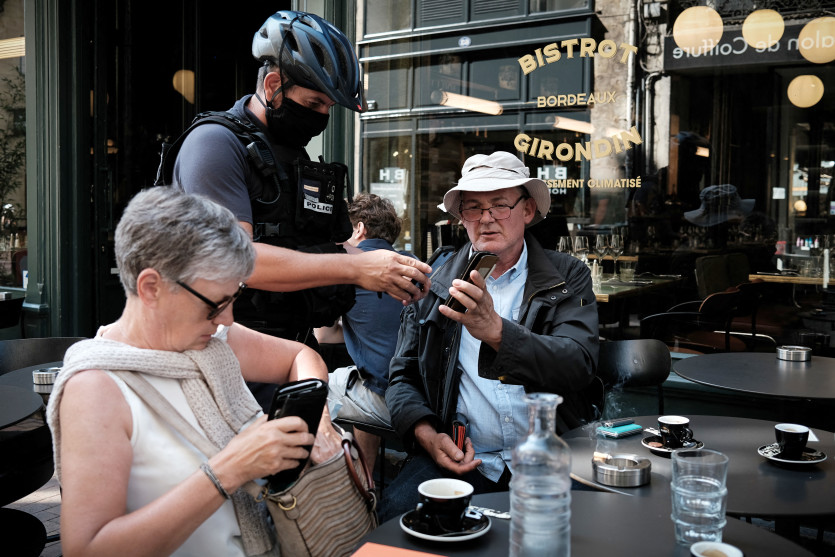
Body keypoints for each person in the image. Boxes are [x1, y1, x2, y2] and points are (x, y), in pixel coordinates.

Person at [46, 187, 342, 557]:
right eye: (215, 304)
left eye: (234, 298)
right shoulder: (95, 388)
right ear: (151, 287)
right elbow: (88, 549)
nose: (227, 318)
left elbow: (301, 356)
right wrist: (230, 469)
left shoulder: (214, 342)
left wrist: (320, 421)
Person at [170, 10, 431, 409]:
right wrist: (356, 268)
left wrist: (388, 268)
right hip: (221, 358)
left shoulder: (288, 155)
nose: (322, 116)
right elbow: (234, 262)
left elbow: (309, 247)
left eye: (329, 106)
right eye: (314, 102)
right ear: (273, 85)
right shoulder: (215, 145)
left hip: (291, 351)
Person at [382, 151, 600, 520]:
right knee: (397, 517)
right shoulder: (436, 283)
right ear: (461, 218)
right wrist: (427, 434)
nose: (486, 218)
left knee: (585, 528)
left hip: (551, 456)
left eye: (500, 204)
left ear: (527, 210)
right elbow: (402, 377)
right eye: (473, 208)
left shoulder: (567, 276)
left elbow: (578, 363)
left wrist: (497, 332)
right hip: (465, 457)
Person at [326, 193, 415, 470]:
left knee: (310, 387)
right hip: (419, 394)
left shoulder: (348, 269)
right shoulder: (412, 262)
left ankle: (350, 477)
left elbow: (324, 336)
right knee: (363, 378)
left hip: (388, 398)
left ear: (359, 229)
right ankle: (369, 469)